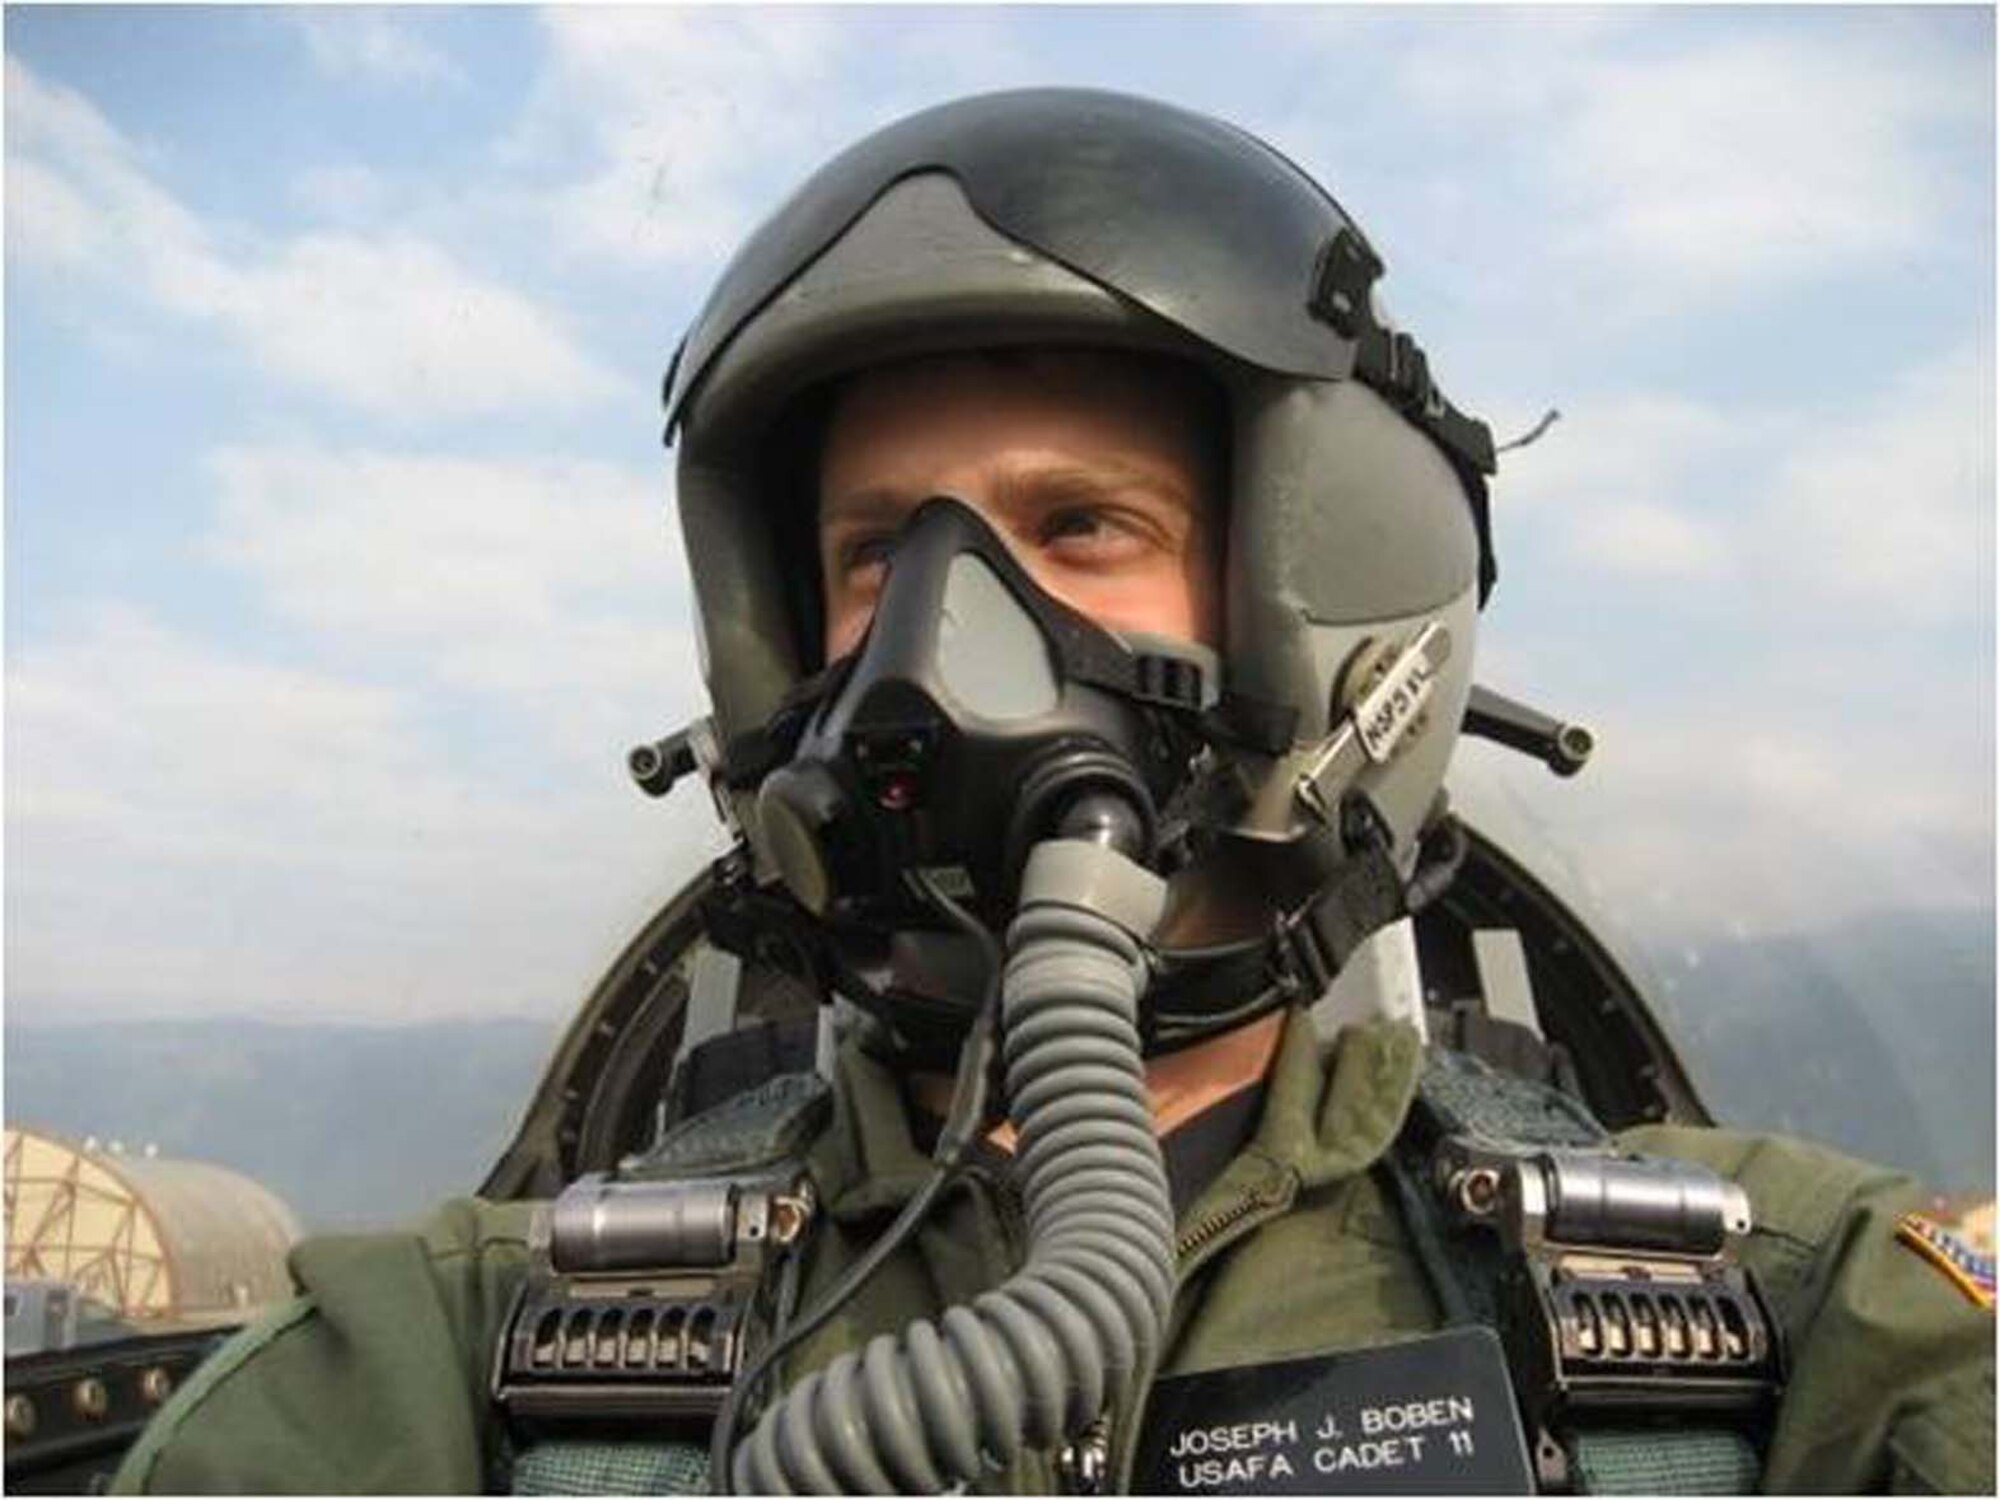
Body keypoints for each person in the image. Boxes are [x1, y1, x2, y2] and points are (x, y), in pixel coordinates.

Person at [114, 88, 1991, 1497]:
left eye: (1080, 528)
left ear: (1316, 618)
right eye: (873, 557)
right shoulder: (460, 1358)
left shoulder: (1787, 1313)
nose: (936, 641)